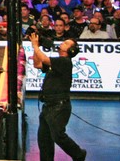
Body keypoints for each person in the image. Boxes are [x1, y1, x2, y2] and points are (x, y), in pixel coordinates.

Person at [28, 32, 86, 161]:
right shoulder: (56, 62)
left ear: (70, 50)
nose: (62, 43)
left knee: (58, 136)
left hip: (58, 106)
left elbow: (44, 59)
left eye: (66, 43)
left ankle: (78, 154)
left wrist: (36, 46)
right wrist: (36, 47)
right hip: (48, 105)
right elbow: (37, 64)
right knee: (44, 139)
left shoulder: (64, 62)